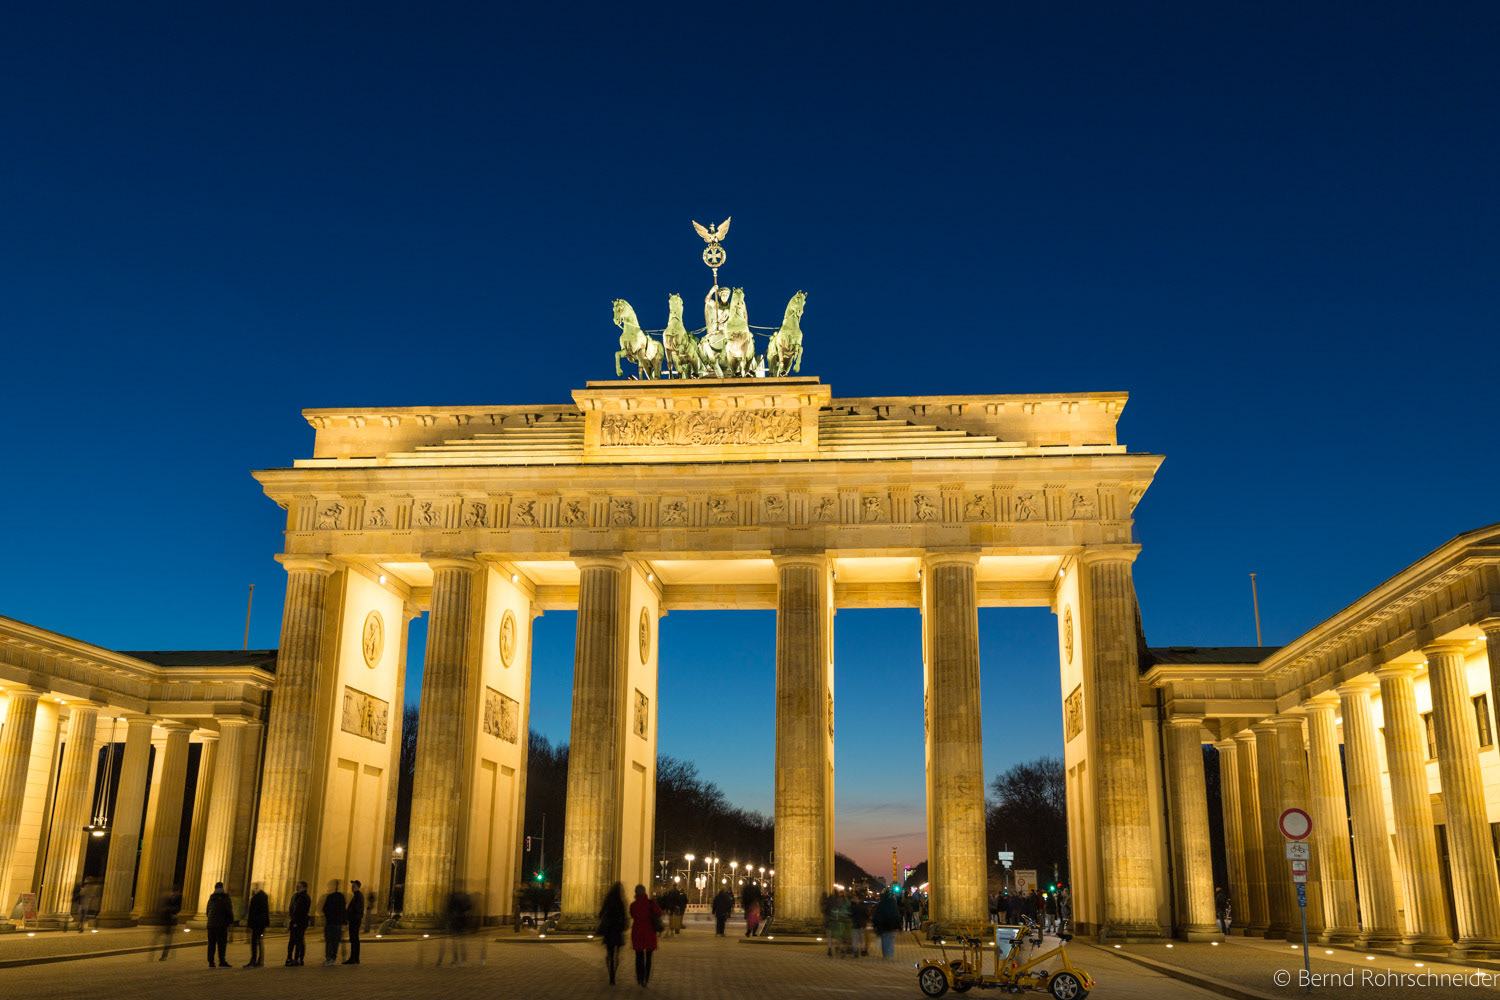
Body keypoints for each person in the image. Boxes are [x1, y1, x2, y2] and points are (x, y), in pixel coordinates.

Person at [629, 884, 661, 986]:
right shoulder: (651, 903)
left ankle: (639, 978)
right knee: (649, 957)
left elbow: (632, 914)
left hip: (638, 932)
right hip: (649, 932)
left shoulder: (633, 905)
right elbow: (659, 913)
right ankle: (646, 979)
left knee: (638, 957)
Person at [597, 882, 628, 985]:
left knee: (609, 952)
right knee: (617, 953)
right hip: (617, 929)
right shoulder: (620, 901)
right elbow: (624, 916)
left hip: (609, 929)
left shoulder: (608, 900)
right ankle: (614, 971)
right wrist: (624, 926)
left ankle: (610, 972)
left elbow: (601, 913)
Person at [436, 886, 473, 967]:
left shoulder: (454, 896)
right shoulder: (463, 896)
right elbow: (469, 908)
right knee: (459, 942)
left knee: (456, 942)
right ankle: (461, 960)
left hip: (456, 920)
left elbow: (448, 909)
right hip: (459, 920)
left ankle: (457, 960)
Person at [205, 881, 233, 967]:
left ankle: (211, 962)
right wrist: (231, 922)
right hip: (221, 924)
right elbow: (229, 911)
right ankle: (222, 961)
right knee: (221, 944)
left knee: (211, 944)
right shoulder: (225, 898)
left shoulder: (211, 898)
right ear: (222, 888)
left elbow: (207, 912)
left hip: (211, 924)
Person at [320, 879, 346, 966]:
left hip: (330, 923)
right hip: (337, 923)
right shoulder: (341, 897)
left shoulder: (329, 897)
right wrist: (344, 923)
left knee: (329, 941)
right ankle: (333, 958)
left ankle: (328, 958)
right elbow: (343, 911)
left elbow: (324, 909)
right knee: (335, 942)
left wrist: (327, 917)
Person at [286, 880, 311, 966]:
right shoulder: (296, 896)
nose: (298, 888)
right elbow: (292, 908)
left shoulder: (305, 897)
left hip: (300, 922)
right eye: (297, 887)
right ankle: (289, 957)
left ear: (304, 888)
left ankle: (298, 958)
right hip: (294, 921)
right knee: (292, 941)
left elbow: (301, 911)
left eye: (300, 887)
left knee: (299, 941)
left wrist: (296, 921)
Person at [873, 889, 902, 959]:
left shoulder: (881, 904)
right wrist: (899, 926)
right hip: (892, 925)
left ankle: (885, 953)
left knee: (884, 939)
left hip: (883, 926)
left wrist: (875, 925)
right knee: (890, 940)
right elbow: (897, 915)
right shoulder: (893, 904)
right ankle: (890, 954)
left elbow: (877, 916)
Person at [244, 883, 269, 967]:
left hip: (257, 924)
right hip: (260, 924)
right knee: (259, 941)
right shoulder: (263, 897)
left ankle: (254, 960)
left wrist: (250, 924)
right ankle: (260, 960)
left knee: (255, 941)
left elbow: (253, 913)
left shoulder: (257, 898)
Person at [154, 887, 182, 961]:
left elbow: (177, 909)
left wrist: (170, 909)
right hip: (166, 921)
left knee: (168, 940)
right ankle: (167, 955)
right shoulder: (169, 898)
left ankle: (165, 955)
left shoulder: (178, 899)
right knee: (167, 940)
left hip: (170, 922)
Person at [344, 880, 364, 964]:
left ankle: (354, 958)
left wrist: (350, 915)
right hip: (355, 920)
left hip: (355, 920)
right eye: (352, 886)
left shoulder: (358, 896)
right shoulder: (356, 896)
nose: (352, 887)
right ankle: (354, 958)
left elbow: (357, 909)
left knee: (354, 939)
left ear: (358, 887)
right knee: (354, 939)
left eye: (354, 886)